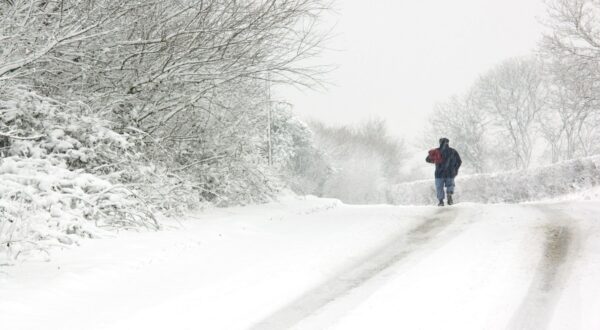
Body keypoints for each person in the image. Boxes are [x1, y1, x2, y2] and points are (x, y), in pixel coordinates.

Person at [426, 138, 462, 206]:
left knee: (439, 187)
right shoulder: (453, 151)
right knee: (450, 185)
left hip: (439, 173)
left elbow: (427, 159)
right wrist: (455, 169)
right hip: (450, 173)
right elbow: (459, 161)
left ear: (440, 143)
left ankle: (441, 201)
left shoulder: (436, 151)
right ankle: (449, 195)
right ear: (448, 143)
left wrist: (434, 160)